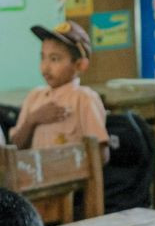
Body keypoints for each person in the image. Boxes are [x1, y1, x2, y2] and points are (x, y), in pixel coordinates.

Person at [9, 21, 110, 156]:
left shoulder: (84, 99)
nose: (45, 67)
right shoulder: (34, 97)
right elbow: (14, 147)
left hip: (72, 176)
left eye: (54, 59)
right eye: (42, 57)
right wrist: (32, 120)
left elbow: (101, 155)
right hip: (36, 176)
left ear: (80, 65)